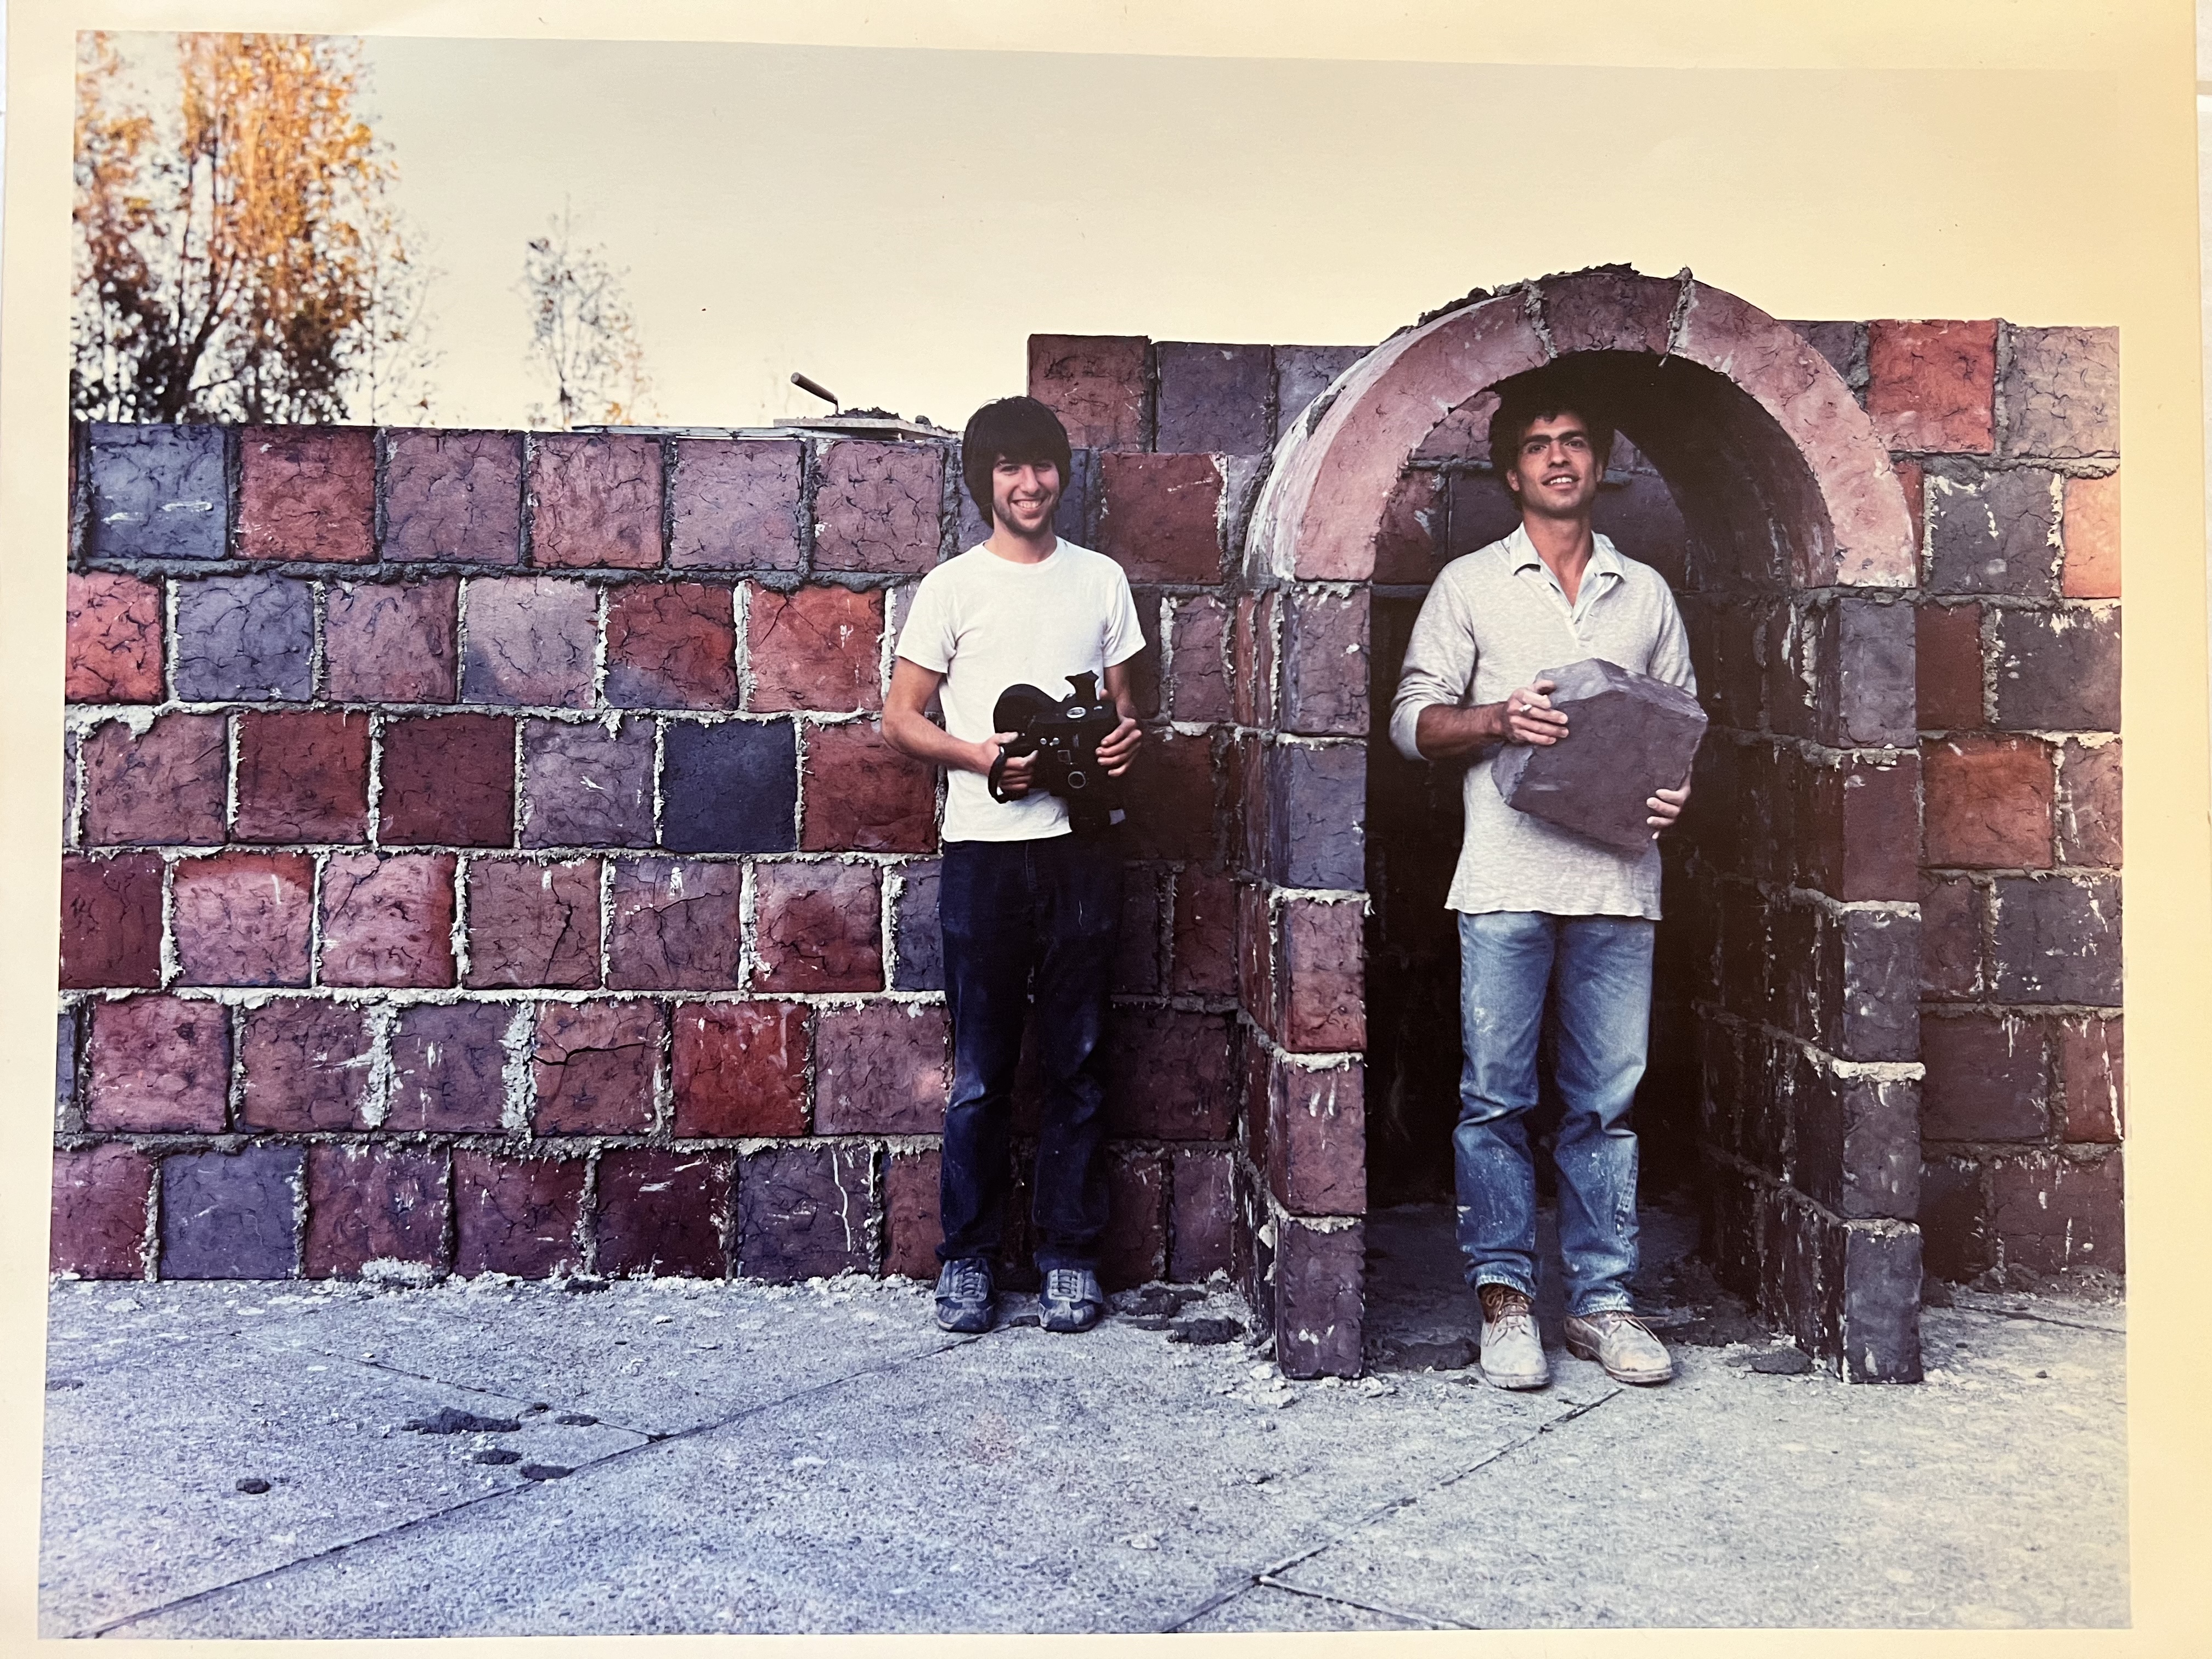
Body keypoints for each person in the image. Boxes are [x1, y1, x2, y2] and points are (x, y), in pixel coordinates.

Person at [1388, 373, 1693, 1390]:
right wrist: (1493, 720)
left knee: (1605, 1105)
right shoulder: (1472, 585)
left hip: (1619, 886)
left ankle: (1603, 1306)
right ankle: (1505, 1297)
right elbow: (1411, 720)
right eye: (1536, 444)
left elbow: (1682, 722)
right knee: (1494, 1100)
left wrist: (1671, 795)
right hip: (1505, 881)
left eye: (1574, 440)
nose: (1558, 457)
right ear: (1509, 469)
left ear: (1601, 465)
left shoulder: (1643, 591)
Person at [883, 396, 1144, 1336]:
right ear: (983, 483)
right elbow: (901, 717)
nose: (1029, 484)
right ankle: (968, 1260)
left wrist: (1122, 749)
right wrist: (982, 758)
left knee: (1077, 1060)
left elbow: (1125, 714)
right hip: (985, 856)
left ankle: (1070, 1256)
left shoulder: (1102, 581)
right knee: (984, 1071)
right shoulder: (953, 587)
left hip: (1084, 850)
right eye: (1009, 469)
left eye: (1042, 467)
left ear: (1061, 475)